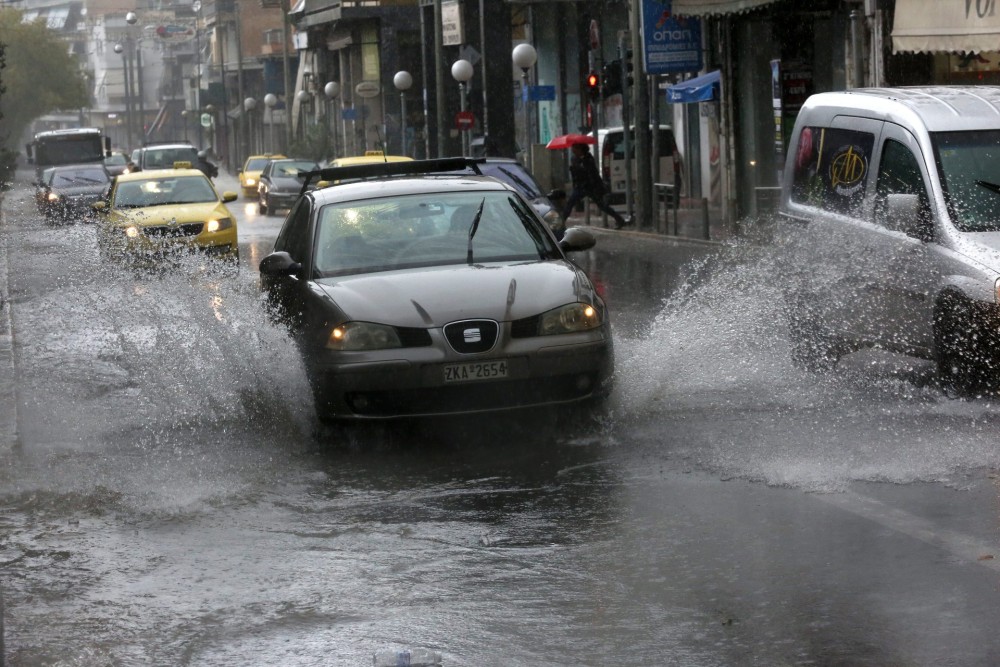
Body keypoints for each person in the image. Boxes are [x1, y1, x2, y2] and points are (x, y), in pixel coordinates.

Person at [560, 142, 629, 229]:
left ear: (580, 149)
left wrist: (596, 188)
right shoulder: (574, 159)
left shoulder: (588, 158)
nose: (573, 151)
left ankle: (619, 219)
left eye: (575, 149)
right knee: (570, 203)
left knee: (602, 205)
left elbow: (592, 174)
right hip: (580, 186)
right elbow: (576, 174)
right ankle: (561, 223)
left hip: (591, 187)